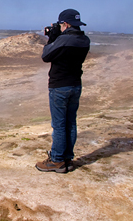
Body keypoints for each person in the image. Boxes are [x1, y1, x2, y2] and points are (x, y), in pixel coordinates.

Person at [36, 9, 90, 173]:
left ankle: (57, 160)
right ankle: (67, 158)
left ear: (65, 24)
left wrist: (52, 38)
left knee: (59, 125)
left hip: (60, 86)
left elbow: (46, 55)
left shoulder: (64, 40)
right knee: (70, 123)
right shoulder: (84, 40)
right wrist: (57, 36)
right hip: (75, 85)